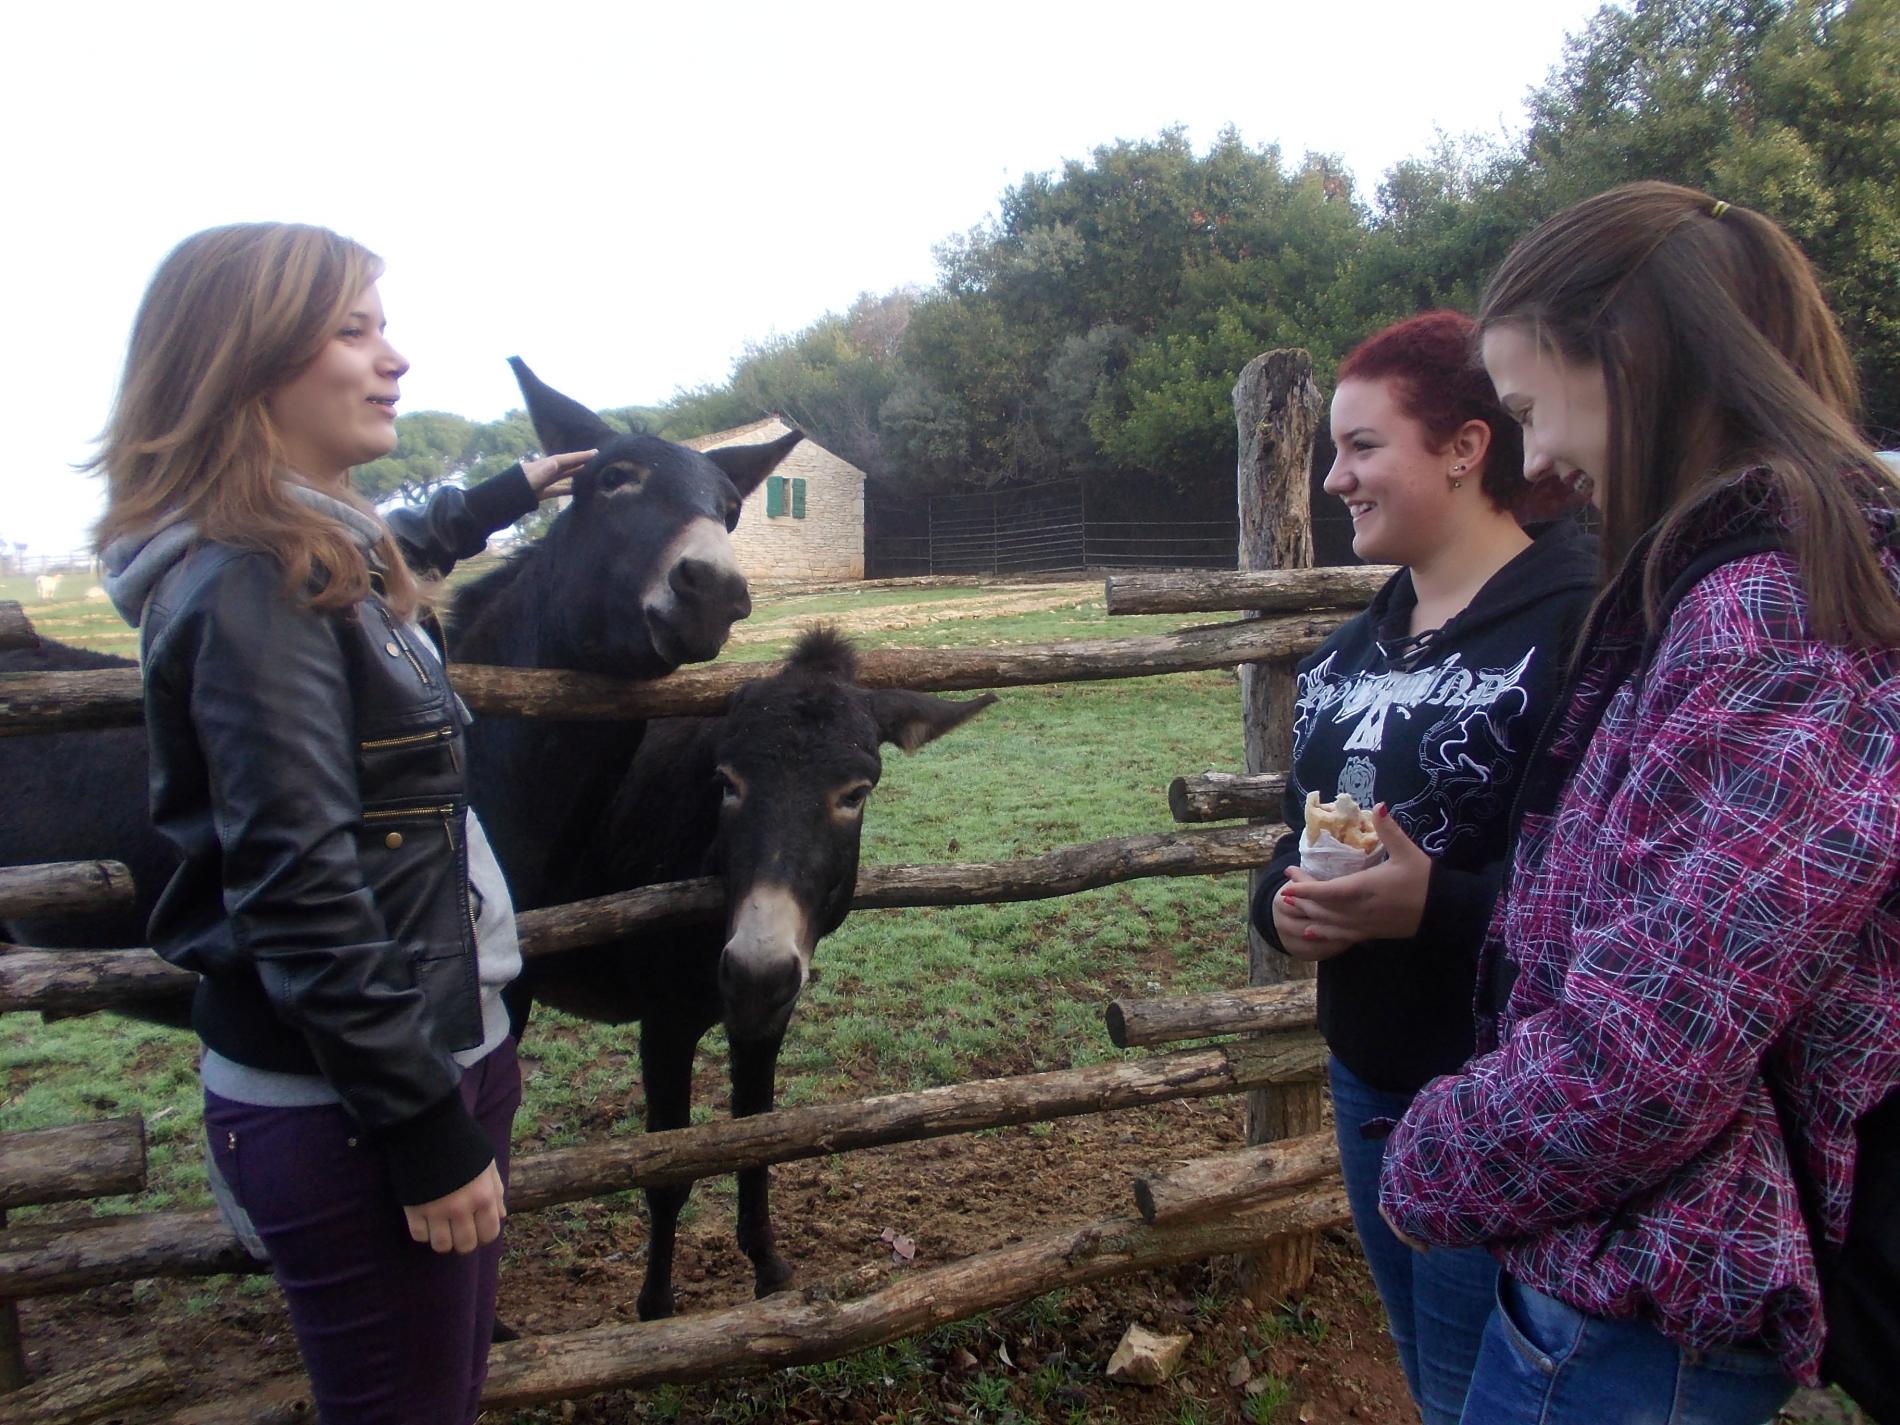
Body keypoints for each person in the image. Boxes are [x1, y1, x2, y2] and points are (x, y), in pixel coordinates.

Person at [1378, 182, 1900, 1425]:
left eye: (1526, 411)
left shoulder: (1772, 615)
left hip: (1639, 1308)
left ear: (1628, 351)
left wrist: (1430, 1155)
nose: (1536, 464)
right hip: (1624, 1268)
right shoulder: (1738, 585)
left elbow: (1658, 1048)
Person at [92, 222, 595, 1424]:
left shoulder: (313, 559)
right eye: (354, 331)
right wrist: (421, 1126)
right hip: (360, 1106)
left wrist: (503, 495)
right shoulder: (255, 589)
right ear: (248, 361)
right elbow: (299, 886)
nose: (395, 359)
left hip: (422, 1057)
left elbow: (388, 552)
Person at [1249, 310, 1597, 1425]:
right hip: (1367, 1078)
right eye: (1333, 453)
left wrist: (1435, 907)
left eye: (1362, 447)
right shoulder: (1344, 656)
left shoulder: (1585, 626)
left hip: (1504, 1095)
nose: (1334, 479)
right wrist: (1283, 905)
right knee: (1430, 1380)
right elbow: (1293, 835)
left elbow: (1620, 896)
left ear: (1464, 448)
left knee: (1470, 1397)